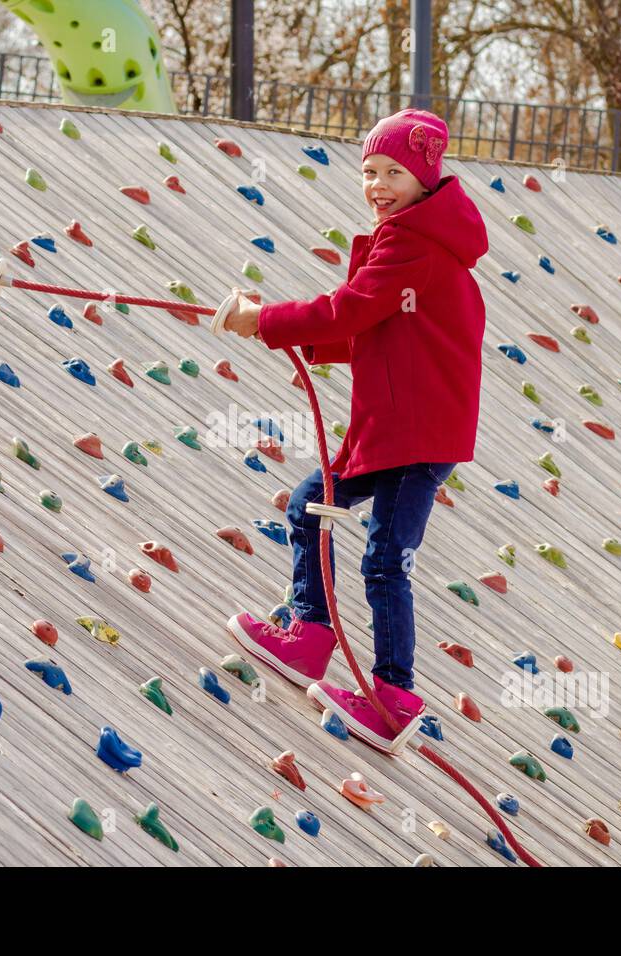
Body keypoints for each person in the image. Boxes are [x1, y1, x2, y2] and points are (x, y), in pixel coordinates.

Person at [215, 107, 489, 755]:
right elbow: (385, 322)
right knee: (313, 507)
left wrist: (265, 322)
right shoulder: (418, 238)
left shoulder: (415, 241)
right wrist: (323, 349)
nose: (378, 184)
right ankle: (311, 636)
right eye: (369, 171)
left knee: (384, 558)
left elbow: (353, 306)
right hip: (394, 424)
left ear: (426, 176)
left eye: (394, 171)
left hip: (414, 434)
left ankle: (393, 694)